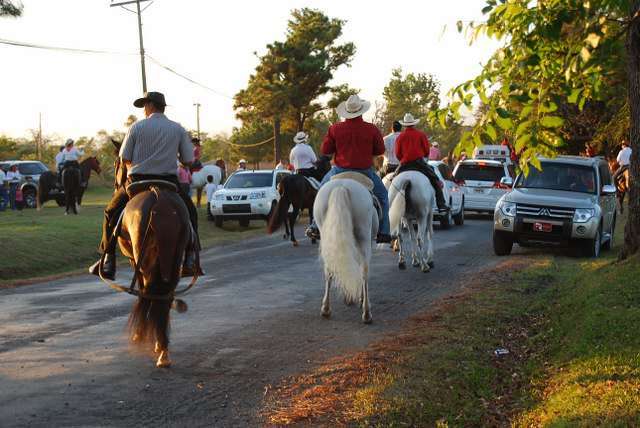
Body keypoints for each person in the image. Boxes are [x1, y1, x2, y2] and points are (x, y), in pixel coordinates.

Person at [88, 91, 200, 280]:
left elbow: (124, 158)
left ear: (149, 106)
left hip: (137, 182)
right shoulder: (178, 129)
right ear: (163, 107)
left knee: (110, 212)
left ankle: (108, 259)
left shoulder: (136, 127)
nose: (144, 110)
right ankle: (190, 258)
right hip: (168, 183)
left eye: (144, 106)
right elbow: (189, 160)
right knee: (191, 213)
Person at [305, 94, 391, 243]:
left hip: (339, 171)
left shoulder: (335, 129)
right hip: (365, 172)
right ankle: (384, 232)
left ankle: (315, 226)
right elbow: (379, 150)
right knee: (383, 197)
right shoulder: (371, 129)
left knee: (320, 192)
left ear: (346, 111)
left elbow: (326, 149)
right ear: (361, 111)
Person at [393, 113, 448, 210]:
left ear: (405, 125)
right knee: (435, 179)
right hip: (419, 163)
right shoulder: (421, 135)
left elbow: (397, 154)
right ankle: (441, 204)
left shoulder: (400, 137)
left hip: (405, 164)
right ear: (414, 124)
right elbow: (427, 151)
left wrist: (403, 159)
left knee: (392, 181)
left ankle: (388, 205)